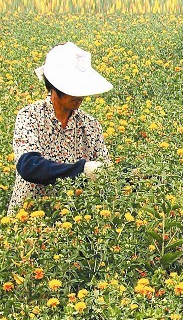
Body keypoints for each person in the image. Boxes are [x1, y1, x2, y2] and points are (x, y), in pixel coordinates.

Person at [7, 42, 113, 215]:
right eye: (74, 87)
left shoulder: (90, 125)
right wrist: (82, 170)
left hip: (72, 221)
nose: (81, 95)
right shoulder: (30, 116)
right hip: (28, 219)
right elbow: (29, 167)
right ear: (54, 85)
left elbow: (106, 173)